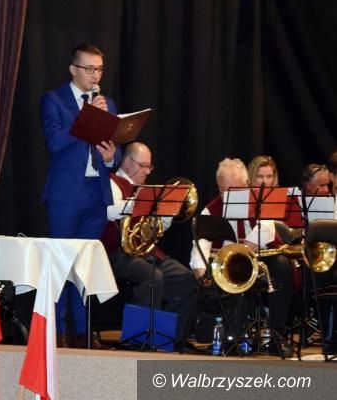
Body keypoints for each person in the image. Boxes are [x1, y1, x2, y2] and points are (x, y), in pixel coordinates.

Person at [41, 43, 120, 347]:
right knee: (61, 264)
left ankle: (82, 332)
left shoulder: (107, 104)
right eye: (89, 69)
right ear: (73, 69)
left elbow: (114, 149)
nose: (95, 75)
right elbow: (54, 142)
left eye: (99, 69)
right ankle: (58, 330)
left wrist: (112, 157)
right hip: (66, 195)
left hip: (95, 193)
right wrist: (88, 117)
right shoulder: (55, 100)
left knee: (84, 267)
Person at [190, 157, 295, 357]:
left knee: (282, 266)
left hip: (258, 258)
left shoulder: (259, 201)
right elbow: (200, 245)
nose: (230, 197)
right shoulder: (211, 210)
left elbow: (267, 227)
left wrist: (246, 248)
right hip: (229, 266)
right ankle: (233, 338)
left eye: (236, 190)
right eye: (225, 191)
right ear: (218, 187)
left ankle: (277, 336)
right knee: (223, 274)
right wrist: (202, 274)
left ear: (247, 184)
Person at [101, 142, 197, 347]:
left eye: (149, 167)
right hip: (117, 252)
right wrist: (146, 204)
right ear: (127, 162)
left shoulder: (148, 190)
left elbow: (158, 228)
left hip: (146, 252)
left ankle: (167, 337)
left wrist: (166, 213)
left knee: (187, 279)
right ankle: (138, 339)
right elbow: (110, 210)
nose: (147, 171)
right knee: (152, 276)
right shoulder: (112, 182)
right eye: (143, 166)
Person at [301, 162, 337, 353]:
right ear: (307, 186)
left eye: (328, 185)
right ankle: (327, 333)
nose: (326, 190)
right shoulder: (299, 203)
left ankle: (329, 334)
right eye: (321, 185)